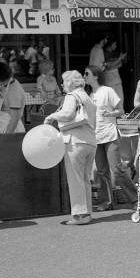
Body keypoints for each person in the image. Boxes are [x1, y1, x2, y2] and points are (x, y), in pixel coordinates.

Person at [44, 70, 97, 225]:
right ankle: (86, 213)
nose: (61, 84)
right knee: (85, 179)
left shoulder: (71, 96)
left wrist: (52, 116)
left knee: (75, 179)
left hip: (75, 141)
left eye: (63, 81)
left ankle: (79, 215)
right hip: (90, 142)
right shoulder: (87, 97)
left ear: (69, 83)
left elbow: (67, 114)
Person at [84, 65, 138, 212]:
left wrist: (111, 114)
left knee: (116, 169)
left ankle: (135, 199)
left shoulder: (107, 91)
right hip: (95, 136)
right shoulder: (87, 95)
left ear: (95, 76)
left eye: (86, 73)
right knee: (101, 171)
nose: (84, 76)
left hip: (109, 134)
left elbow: (121, 110)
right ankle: (106, 202)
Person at [0, 62, 26, 134]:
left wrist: (6, 138)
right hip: (4, 127)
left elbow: (14, 119)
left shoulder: (14, 92)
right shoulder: (8, 84)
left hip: (12, 132)